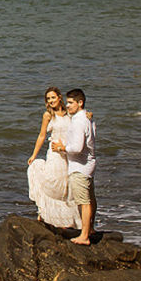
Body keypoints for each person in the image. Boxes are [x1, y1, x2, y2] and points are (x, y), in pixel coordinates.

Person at [26, 86, 80, 229]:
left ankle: (66, 220)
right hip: (55, 154)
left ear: (59, 97)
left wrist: (88, 115)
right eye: (48, 99)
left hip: (67, 153)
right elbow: (42, 135)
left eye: (53, 97)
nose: (51, 101)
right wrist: (34, 155)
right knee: (53, 182)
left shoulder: (70, 113)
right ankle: (44, 213)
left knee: (66, 186)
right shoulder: (48, 115)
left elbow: (79, 121)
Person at [53, 88, 97, 244]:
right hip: (88, 165)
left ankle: (84, 236)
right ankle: (90, 229)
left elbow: (77, 148)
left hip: (79, 166)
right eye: (67, 102)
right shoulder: (87, 118)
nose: (67, 105)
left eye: (71, 102)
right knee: (90, 199)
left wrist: (61, 147)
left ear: (80, 103)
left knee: (84, 202)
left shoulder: (79, 121)